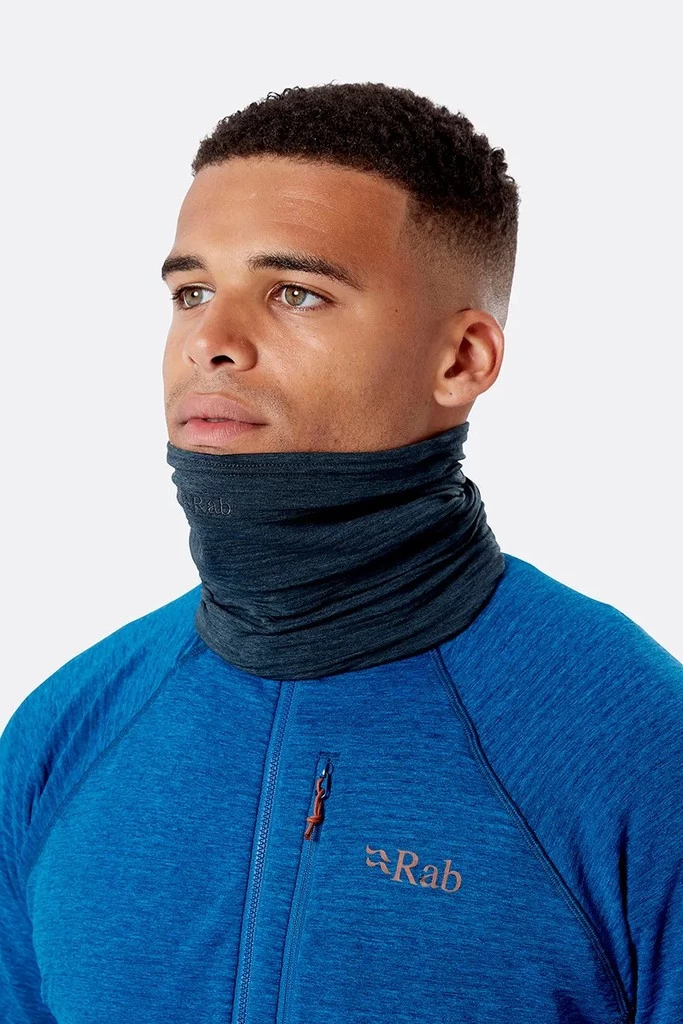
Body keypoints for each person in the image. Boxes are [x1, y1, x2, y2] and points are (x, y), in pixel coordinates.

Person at [1, 81, 680, 1024]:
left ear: (462, 360)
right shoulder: (67, 730)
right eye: (191, 292)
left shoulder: (638, 746)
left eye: (295, 293)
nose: (211, 342)